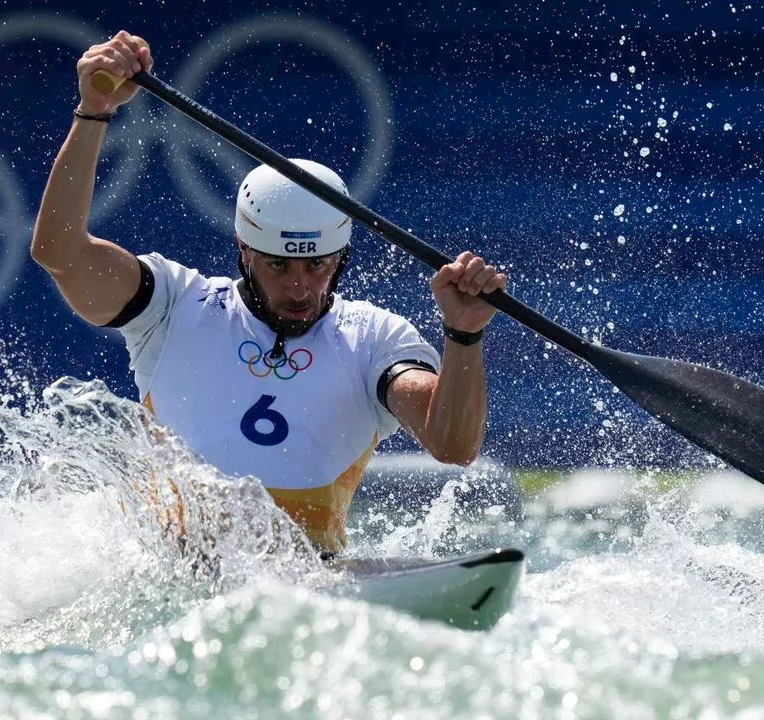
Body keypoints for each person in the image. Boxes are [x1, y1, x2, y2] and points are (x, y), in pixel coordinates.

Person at [30, 31, 506, 556]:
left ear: (341, 257)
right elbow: (59, 250)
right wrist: (93, 110)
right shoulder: (171, 304)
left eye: (317, 265)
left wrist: (463, 336)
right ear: (245, 251)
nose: (300, 285)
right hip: (159, 579)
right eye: (279, 266)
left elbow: (453, 447)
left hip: (302, 585)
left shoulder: (374, 339)